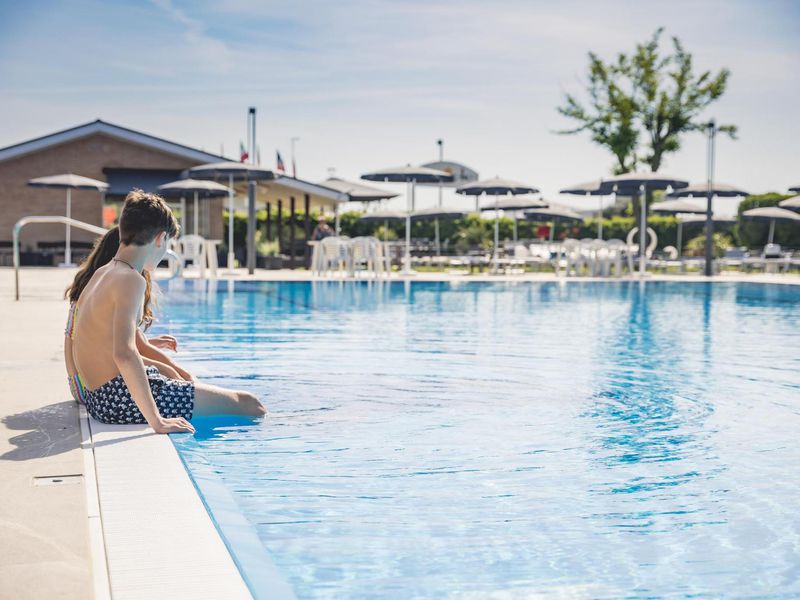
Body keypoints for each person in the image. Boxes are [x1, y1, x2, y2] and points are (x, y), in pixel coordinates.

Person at [71, 190, 266, 434]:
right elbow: (124, 353)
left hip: (97, 399)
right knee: (249, 403)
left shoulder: (103, 272)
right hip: (117, 400)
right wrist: (157, 421)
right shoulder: (131, 279)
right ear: (161, 239)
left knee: (185, 382)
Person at [64, 226, 195, 404]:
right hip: (93, 389)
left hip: (77, 383)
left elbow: (103, 340)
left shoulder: (92, 285)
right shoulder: (119, 282)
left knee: (143, 345)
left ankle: (187, 379)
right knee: (168, 371)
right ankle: (191, 381)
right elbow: (128, 351)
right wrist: (178, 373)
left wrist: (150, 344)